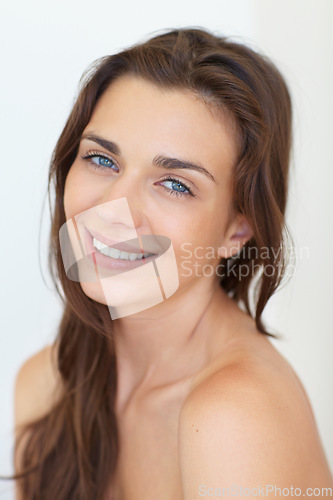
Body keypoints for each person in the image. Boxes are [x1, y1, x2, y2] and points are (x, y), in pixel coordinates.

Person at [10, 27, 333, 499]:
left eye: (176, 184)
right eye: (101, 159)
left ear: (237, 230)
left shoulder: (235, 416)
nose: (113, 209)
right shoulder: (47, 384)